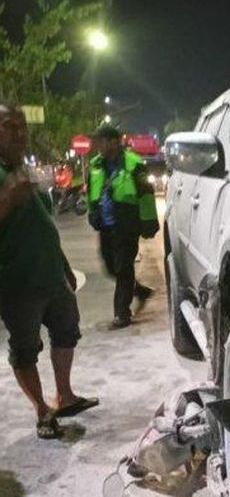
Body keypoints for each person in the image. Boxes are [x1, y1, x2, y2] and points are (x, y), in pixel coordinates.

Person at [0, 104, 98, 439]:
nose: (20, 134)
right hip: (18, 283)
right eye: (10, 126)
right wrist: (6, 200)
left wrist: (64, 266)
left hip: (53, 276)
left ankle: (64, 396)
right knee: (25, 349)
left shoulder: (24, 172)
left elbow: (44, 226)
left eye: (22, 127)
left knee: (67, 332)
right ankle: (42, 411)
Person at [87, 125, 159, 329]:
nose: (98, 145)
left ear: (113, 142)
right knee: (110, 266)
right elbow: (91, 191)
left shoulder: (134, 164)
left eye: (101, 141)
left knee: (123, 267)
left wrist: (148, 222)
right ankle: (140, 292)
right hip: (106, 224)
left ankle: (122, 314)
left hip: (127, 223)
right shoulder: (96, 165)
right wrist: (92, 212)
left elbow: (146, 195)